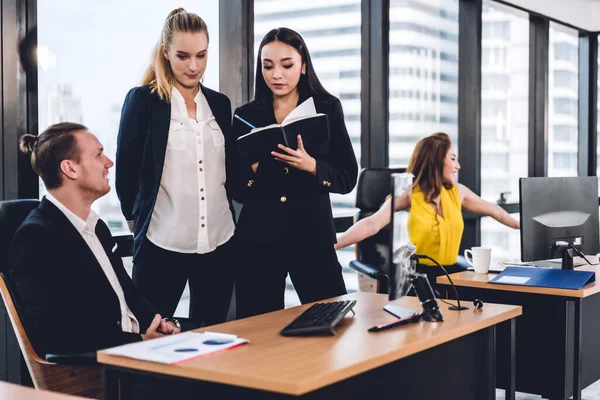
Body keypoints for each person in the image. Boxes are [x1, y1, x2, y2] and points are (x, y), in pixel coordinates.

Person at [7, 123, 180, 357]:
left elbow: (127, 296)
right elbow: (57, 335)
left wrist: (159, 322)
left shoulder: (97, 227)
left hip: (139, 353)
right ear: (70, 168)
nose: (108, 163)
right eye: (99, 155)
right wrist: (139, 343)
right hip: (101, 368)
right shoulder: (36, 237)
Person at [115, 9, 236, 326]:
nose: (193, 66)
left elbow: (229, 172)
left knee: (213, 337)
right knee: (151, 341)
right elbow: (126, 172)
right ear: (166, 52)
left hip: (220, 243)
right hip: (161, 245)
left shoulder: (220, 105)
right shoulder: (143, 101)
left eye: (201, 55)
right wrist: (135, 220)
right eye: (183, 56)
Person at [230, 27, 358, 318]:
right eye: (268, 66)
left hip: (312, 236)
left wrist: (312, 166)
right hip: (259, 239)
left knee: (332, 322)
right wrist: (257, 170)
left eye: (286, 65)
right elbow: (236, 188)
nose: (277, 74)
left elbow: (348, 177)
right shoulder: (244, 115)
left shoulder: (327, 108)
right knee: (259, 334)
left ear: (303, 66)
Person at [335, 132, 519, 281]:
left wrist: (521, 225)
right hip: (420, 278)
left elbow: (495, 211)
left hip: (451, 276)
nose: (458, 166)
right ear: (437, 161)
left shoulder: (458, 192)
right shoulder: (409, 194)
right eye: (453, 159)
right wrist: (335, 244)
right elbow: (372, 224)